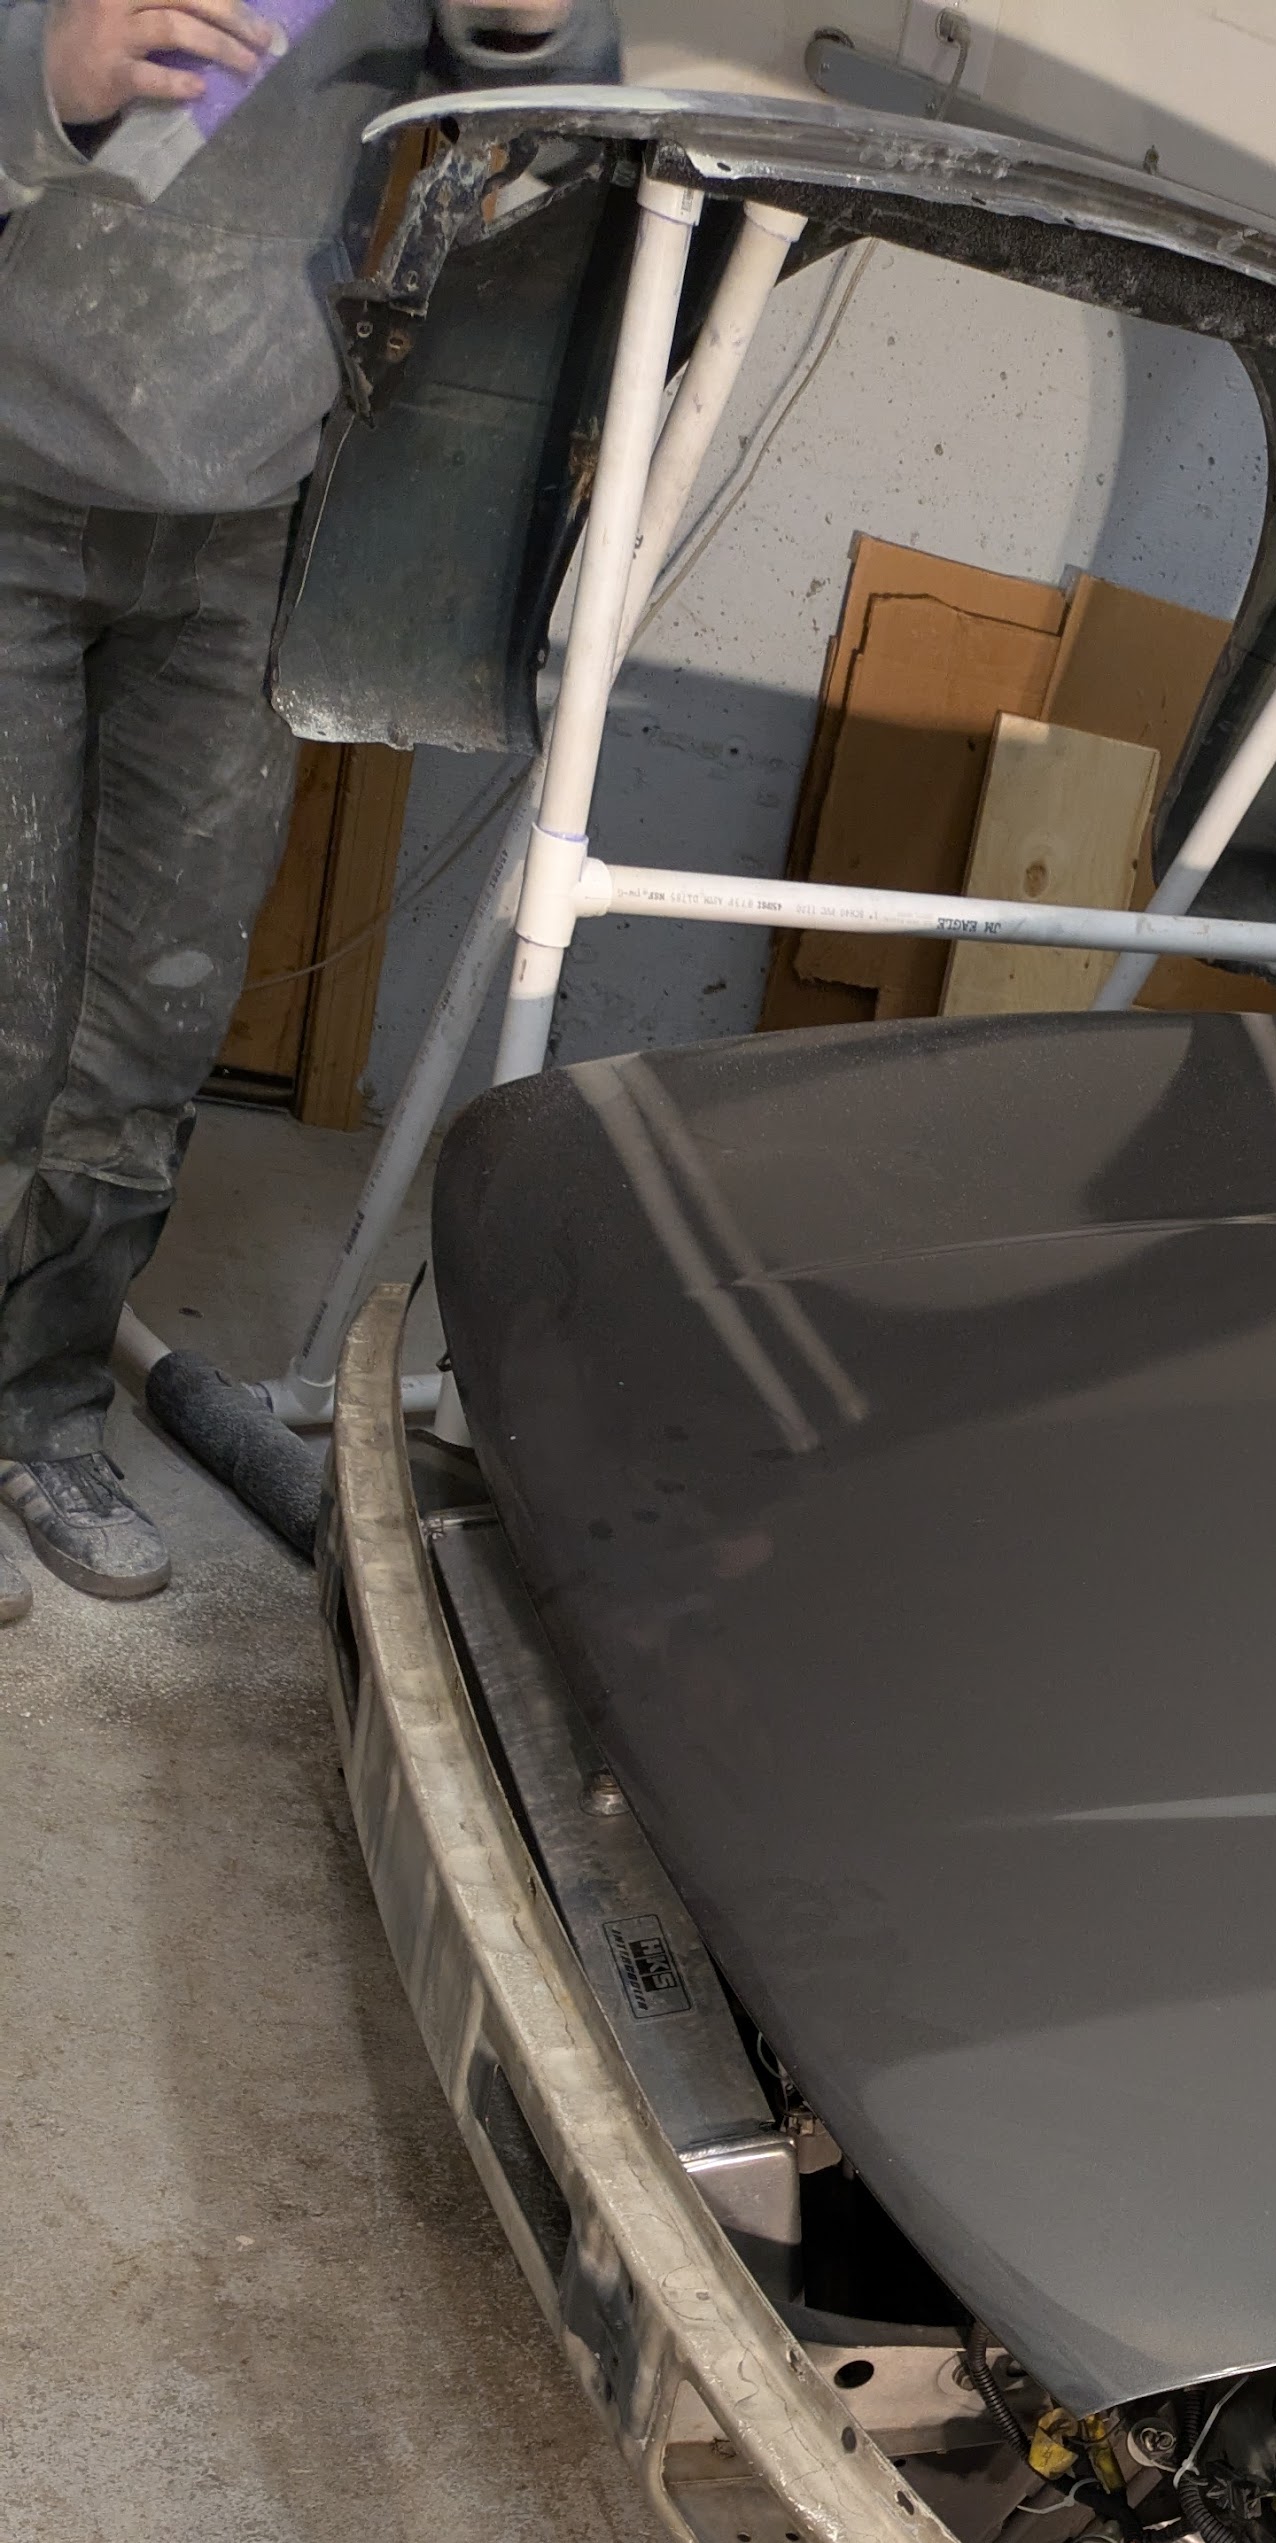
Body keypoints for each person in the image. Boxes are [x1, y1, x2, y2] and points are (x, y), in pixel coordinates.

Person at [0, 0, 614, 1615]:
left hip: (243, 522)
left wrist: (523, 28)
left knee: (147, 1034)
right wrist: (42, 70)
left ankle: (41, 1413)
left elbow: (578, 130)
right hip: (7, 483)